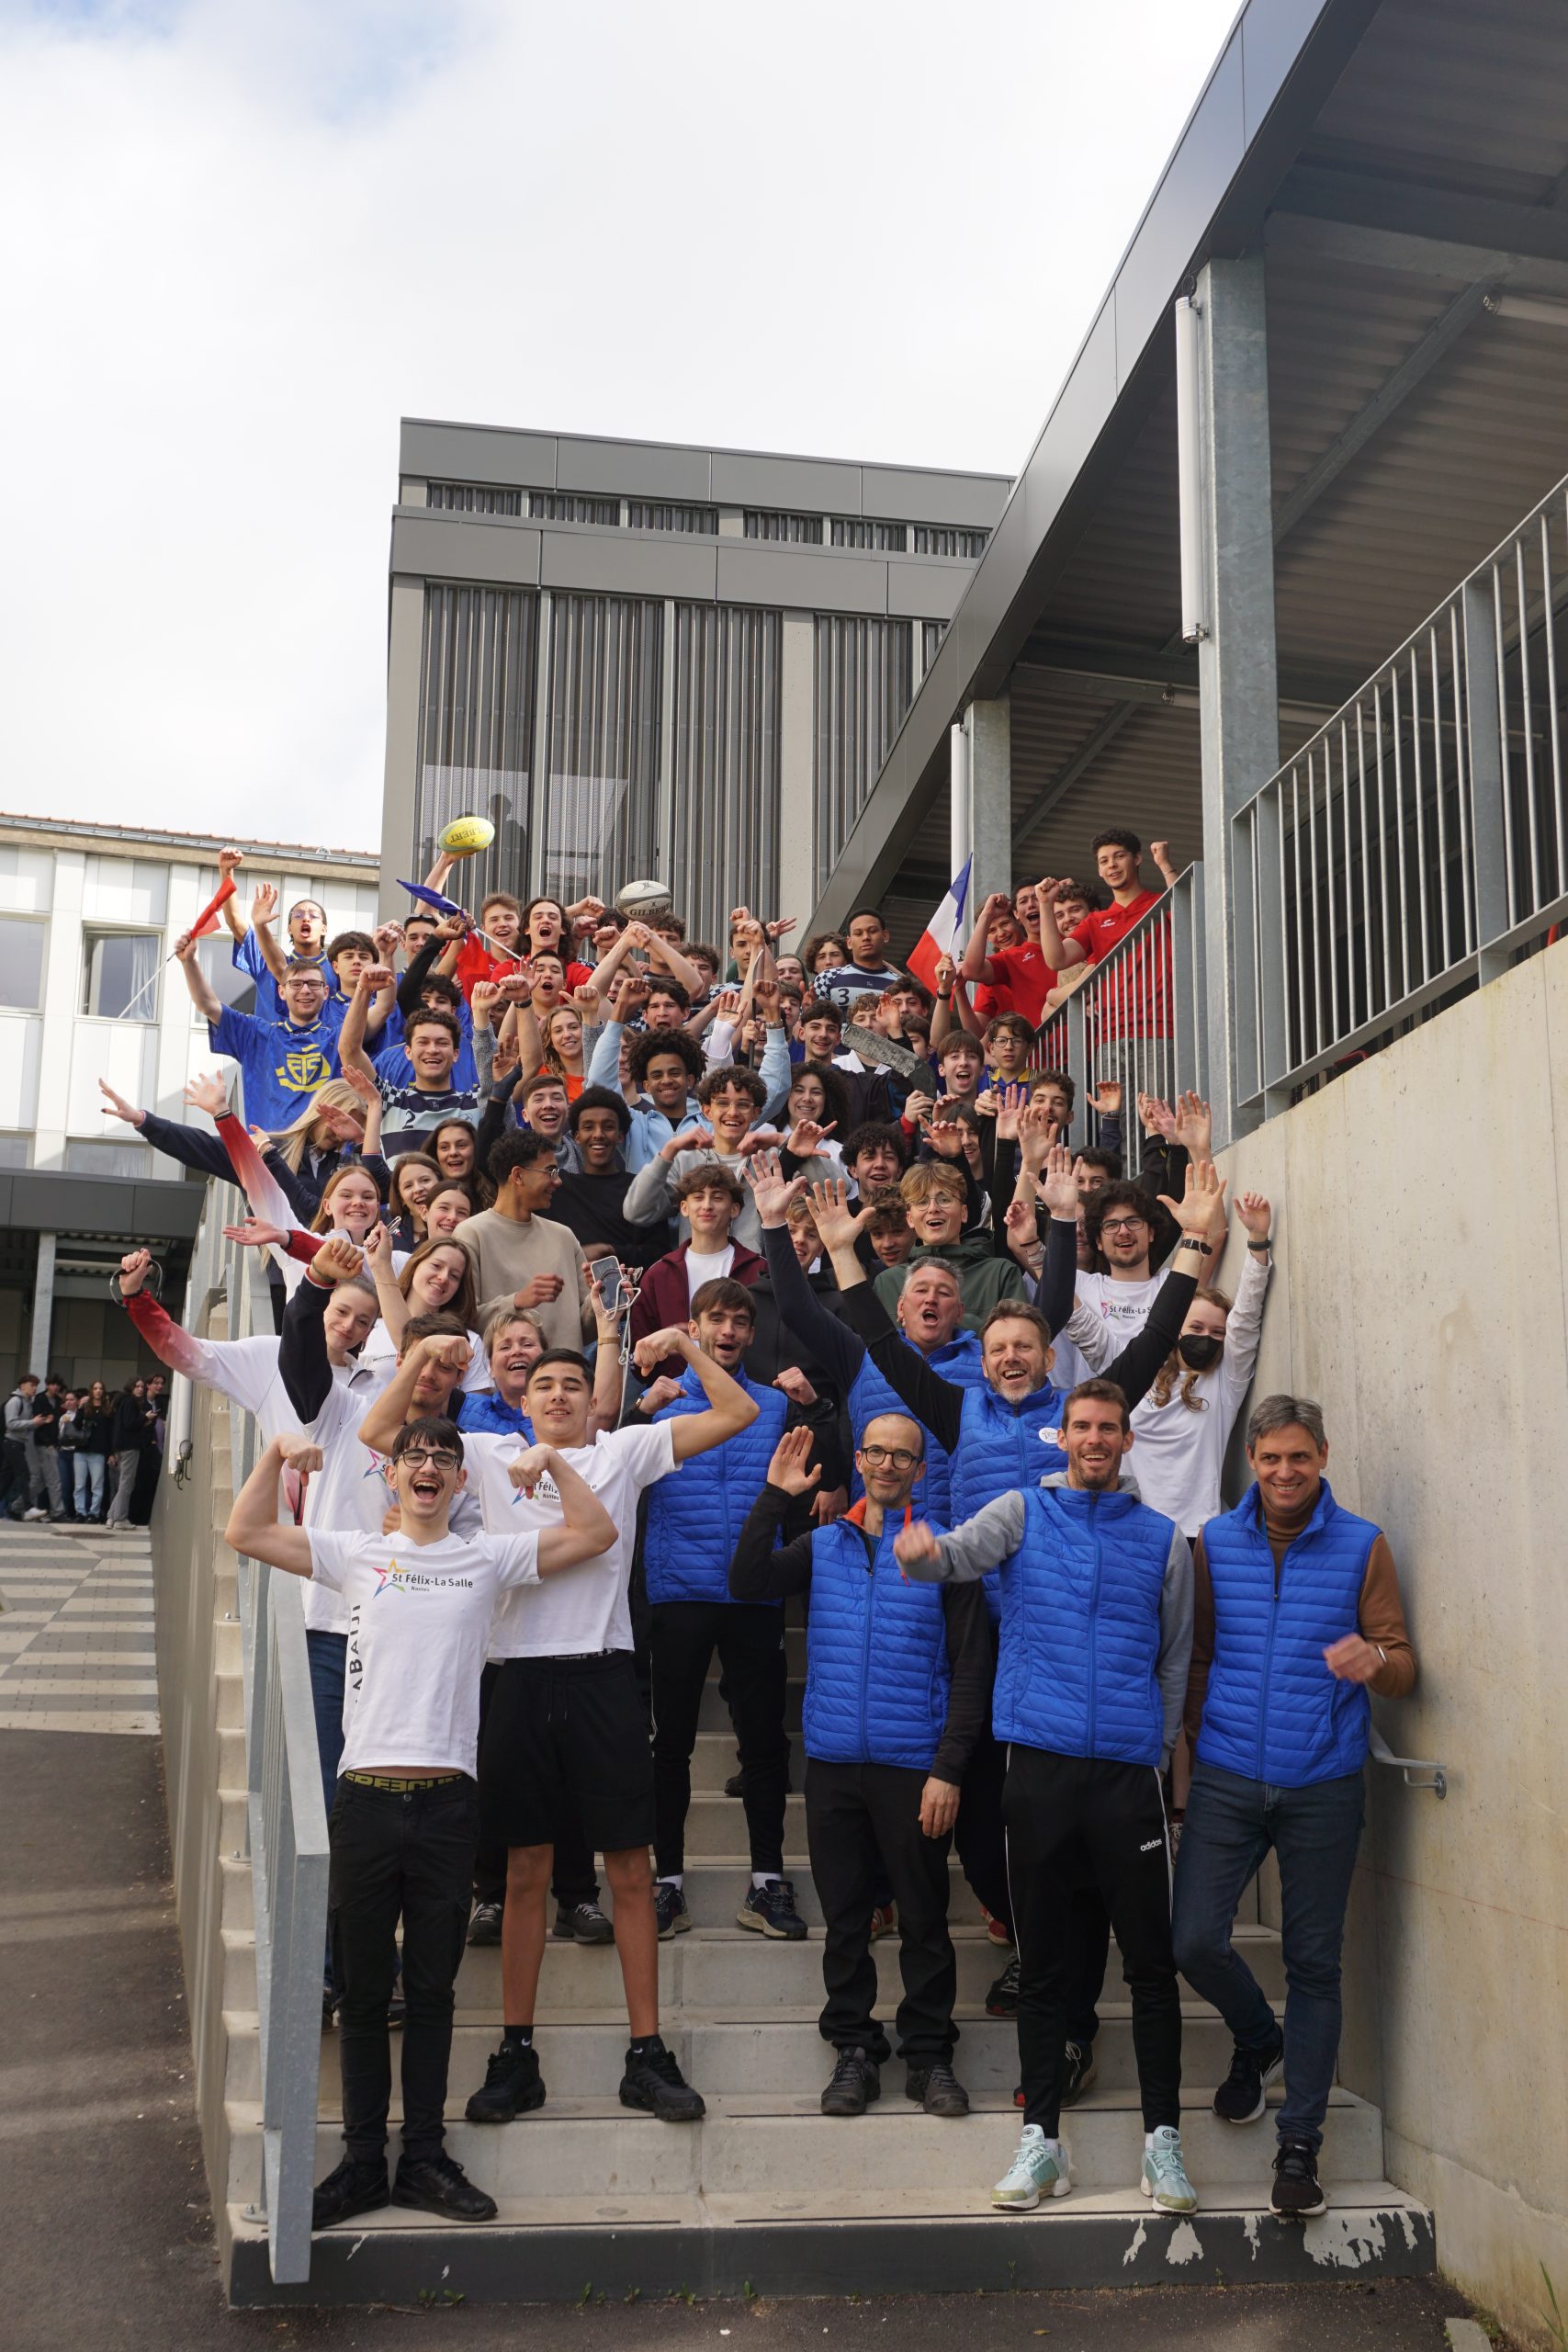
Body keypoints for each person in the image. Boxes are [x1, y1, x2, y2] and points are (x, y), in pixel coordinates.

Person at [360, 1322, 758, 2127]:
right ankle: (516, 2054)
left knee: (631, 1872)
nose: (557, 1395)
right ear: (522, 1398)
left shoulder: (623, 1452)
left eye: (572, 1384)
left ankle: (646, 2053)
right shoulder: (486, 1452)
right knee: (523, 1875)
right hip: (516, 1674)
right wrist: (424, 1357)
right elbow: (379, 1431)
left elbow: (738, 1411)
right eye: (543, 1384)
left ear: (592, 1399)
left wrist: (684, 1344)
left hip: (604, 1671)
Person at [225, 1417, 615, 2229]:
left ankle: (425, 2159)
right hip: (365, 1799)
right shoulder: (357, 1553)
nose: (429, 1465)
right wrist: (274, 1452)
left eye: (444, 1457)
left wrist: (549, 1460)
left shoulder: (485, 1558)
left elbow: (595, 1533)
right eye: (414, 1456)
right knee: (366, 1996)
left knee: (433, 1993)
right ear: (393, 1476)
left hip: (447, 1804)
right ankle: (363, 2164)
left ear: (461, 1481)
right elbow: (247, 1531)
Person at [893, 1377, 1198, 2215]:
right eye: (1082, 1426)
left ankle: (1162, 2143)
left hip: (1126, 1776)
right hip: (1038, 1767)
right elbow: (956, 1555)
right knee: (1045, 1967)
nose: (1094, 1438)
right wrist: (920, 1556)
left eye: (1108, 1427)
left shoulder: (1162, 1540)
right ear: (1060, 1438)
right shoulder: (1022, 1512)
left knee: (1150, 1965)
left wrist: (1155, 1751)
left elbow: (1174, 1657)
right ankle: (1042, 2145)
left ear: (1126, 1441)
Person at [1171, 1395, 1416, 2222]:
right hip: (1227, 1776)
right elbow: (1198, 1654)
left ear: (1322, 1458)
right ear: (1251, 1459)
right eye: (1270, 1458)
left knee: (1314, 1965)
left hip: (1322, 1784)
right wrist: (1196, 1740)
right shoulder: (1215, 1542)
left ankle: (1299, 2146)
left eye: (1298, 1458)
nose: (1284, 1473)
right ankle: (1258, 2039)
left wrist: (1373, 1661)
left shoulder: (1361, 1544)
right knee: (1192, 1940)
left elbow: (1403, 1660)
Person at [729, 1419, 990, 2119]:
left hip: (913, 1767)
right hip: (834, 1764)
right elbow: (747, 1580)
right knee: (845, 1918)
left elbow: (971, 1671)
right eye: (875, 1451)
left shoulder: (944, 1554)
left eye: (902, 1454)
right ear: (859, 1459)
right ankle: (853, 2049)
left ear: (920, 1471)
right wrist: (774, 1497)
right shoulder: (821, 1545)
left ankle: (928, 2056)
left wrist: (949, 1769)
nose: (886, 1463)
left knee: (924, 1919)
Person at [636, 1278, 834, 1945]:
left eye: (740, 1322)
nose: (728, 1331)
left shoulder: (772, 1406)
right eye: (716, 1320)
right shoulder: (662, 1406)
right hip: (678, 1593)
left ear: (752, 1333)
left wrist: (815, 1407)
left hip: (754, 1592)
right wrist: (638, 1409)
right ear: (692, 1329)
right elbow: (609, 1469)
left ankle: (766, 1881)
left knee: (764, 1743)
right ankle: (666, 1883)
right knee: (670, 1746)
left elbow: (827, 1468)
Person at [175, 929, 345, 1129]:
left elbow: (375, 1013)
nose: (305, 990)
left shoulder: (340, 1039)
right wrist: (189, 962)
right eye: (296, 984)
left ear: (325, 992)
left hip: (325, 1147)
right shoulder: (256, 1034)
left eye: (313, 984)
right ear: (281, 991)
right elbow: (208, 1005)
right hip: (265, 1147)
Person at [454, 1132, 593, 1349]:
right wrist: (516, 1301)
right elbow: (461, 1321)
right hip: (503, 1370)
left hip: (568, 1369)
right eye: (550, 1172)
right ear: (518, 1175)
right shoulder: (471, 1233)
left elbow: (582, 1329)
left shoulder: (564, 1236)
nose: (558, 1181)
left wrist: (604, 1298)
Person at [339, 971, 483, 1157]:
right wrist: (363, 990)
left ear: (456, 1054)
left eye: (442, 1043)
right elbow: (349, 1050)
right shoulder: (387, 1100)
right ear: (407, 1051)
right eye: (423, 1042)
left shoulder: (475, 1104)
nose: (432, 1050)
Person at [873, 1162, 1026, 1329]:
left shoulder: (1000, 1273)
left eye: (944, 1199)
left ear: (963, 1213)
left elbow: (1019, 1336)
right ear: (910, 1219)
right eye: (922, 1202)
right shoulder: (887, 1282)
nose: (933, 1208)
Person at [809, 909, 906, 1015]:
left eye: (872, 931)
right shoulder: (826, 978)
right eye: (858, 933)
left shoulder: (900, 984)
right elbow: (816, 1021)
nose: (866, 937)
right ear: (849, 942)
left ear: (885, 936)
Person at [106, 1378, 153, 1532]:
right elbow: (130, 1423)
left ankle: (112, 1516)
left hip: (120, 1446)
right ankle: (120, 1519)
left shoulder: (122, 1401)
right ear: (131, 1387)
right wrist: (145, 1418)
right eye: (137, 1386)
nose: (140, 1389)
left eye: (142, 1387)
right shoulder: (131, 1402)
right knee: (127, 1483)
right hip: (130, 1447)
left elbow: (124, 1424)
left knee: (124, 1483)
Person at [2, 1374, 46, 1521]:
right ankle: (28, 1508)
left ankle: (25, 1509)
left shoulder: (27, 1403)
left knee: (5, 1481)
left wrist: (37, 1423)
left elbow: (24, 1426)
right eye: (31, 1385)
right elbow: (11, 1424)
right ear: (22, 1386)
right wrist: (32, 1423)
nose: (34, 1388)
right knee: (24, 1474)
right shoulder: (15, 1401)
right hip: (12, 1443)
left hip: (18, 1444)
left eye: (36, 1386)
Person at [71, 1380, 112, 1521]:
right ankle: (80, 1512)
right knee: (79, 1485)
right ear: (91, 1391)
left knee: (97, 1485)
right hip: (81, 1450)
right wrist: (80, 1408)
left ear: (103, 1391)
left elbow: (110, 1433)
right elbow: (75, 1426)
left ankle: (94, 1513)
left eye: (100, 1388)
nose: (98, 1391)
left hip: (98, 1452)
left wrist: (111, 1453)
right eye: (95, 1388)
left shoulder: (107, 1410)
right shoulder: (85, 1408)